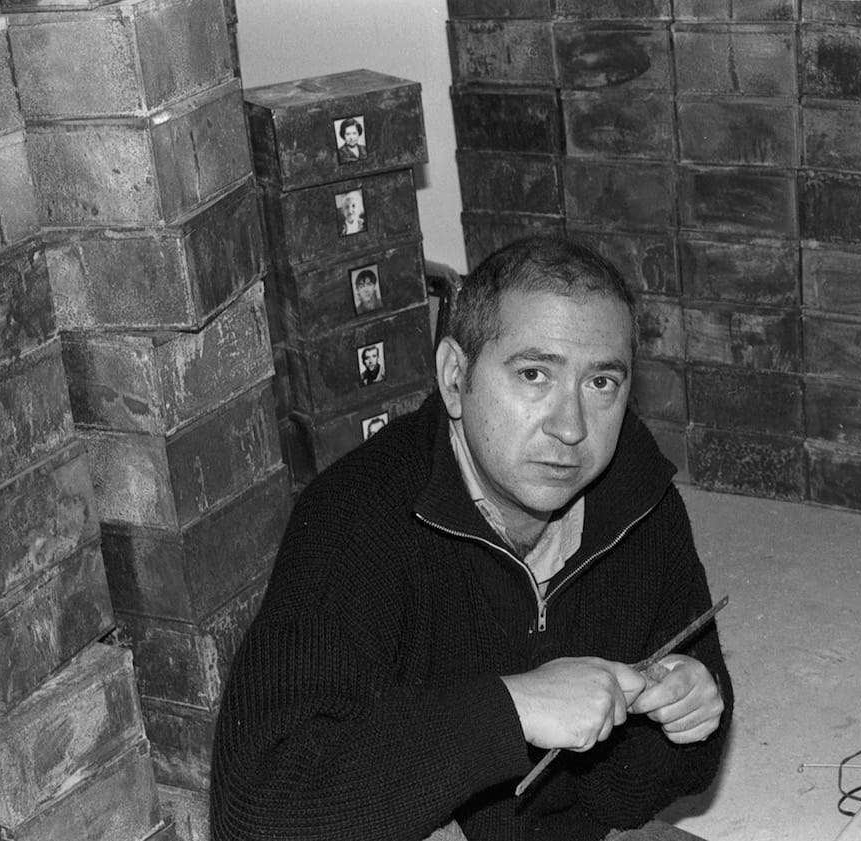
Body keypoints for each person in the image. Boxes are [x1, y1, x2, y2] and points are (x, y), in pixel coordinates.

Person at [210, 235, 733, 841]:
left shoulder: (643, 505)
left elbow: (635, 796)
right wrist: (512, 710)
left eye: (601, 384)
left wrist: (685, 716)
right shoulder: (353, 520)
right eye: (534, 374)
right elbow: (257, 814)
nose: (570, 428)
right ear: (455, 377)